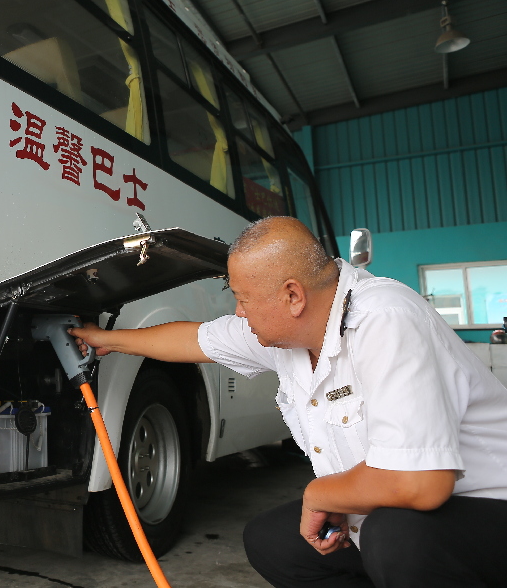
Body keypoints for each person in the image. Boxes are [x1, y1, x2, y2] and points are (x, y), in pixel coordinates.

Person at [69, 216, 507, 587]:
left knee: (396, 538)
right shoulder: (287, 331)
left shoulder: (385, 321)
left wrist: (320, 493)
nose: (239, 313)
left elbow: (421, 483)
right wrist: (105, 339)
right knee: (273, 541)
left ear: (293, 296)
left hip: (486, 511)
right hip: (395, 516)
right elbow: (191, 338)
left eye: (243, 300)